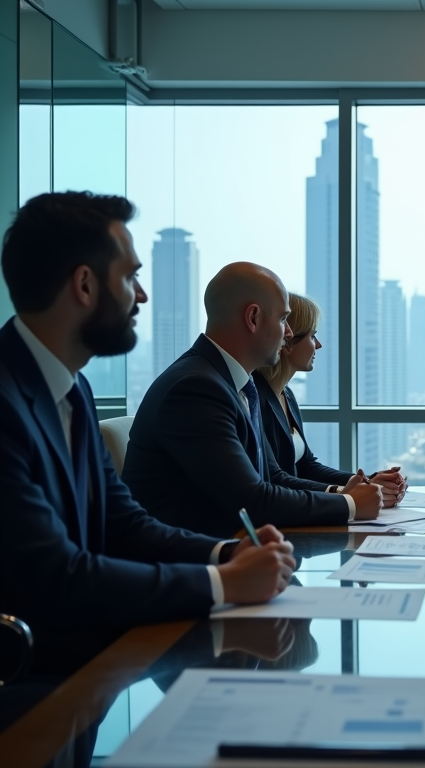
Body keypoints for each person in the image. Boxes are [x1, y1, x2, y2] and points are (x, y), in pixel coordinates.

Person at [0, 192, 295, 656]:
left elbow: (127, 524)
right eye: (131, 276)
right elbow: (59, 575)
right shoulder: (5, 402)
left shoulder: (73, 390)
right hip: (35, 681)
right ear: (84, 285)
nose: (142, 294)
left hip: (90, 658)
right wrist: (221, 583)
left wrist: (227, 555)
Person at [122, 262, 382, 539]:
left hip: (235, 549)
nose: (289, 333)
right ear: (253, 318)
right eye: (283, 320)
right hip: (189, 565)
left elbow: (271, 477)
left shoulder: (237, 385)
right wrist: (350, 504)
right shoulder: (196, 388)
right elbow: (252, 500)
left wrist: (345, 494)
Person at [253, 292, 407, 505]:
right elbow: (276, 478)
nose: (318, 345)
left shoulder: (285, 394)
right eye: (312, 336)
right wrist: (347, 493)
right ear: (288, 341)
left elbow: (306, 465)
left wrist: (367, 482)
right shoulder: (254, 398)